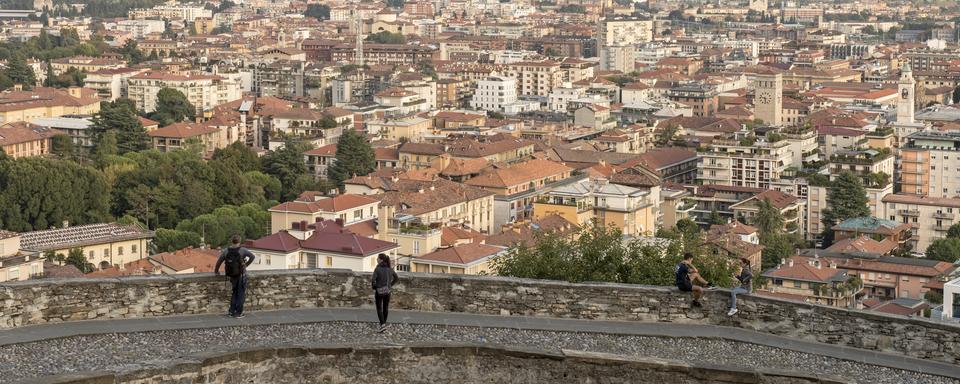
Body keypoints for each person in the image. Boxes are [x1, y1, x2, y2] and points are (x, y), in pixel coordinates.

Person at [214, 234, 256, 319]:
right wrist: (246, 265)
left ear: (232, 241)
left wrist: (216, 271)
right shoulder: (243, 250)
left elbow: (219, 261)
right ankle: (238, 313)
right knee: (241, 294)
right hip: (241, 275)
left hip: (232, 276)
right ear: (239, 241)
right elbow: (252, 256)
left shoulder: (226, 250)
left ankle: (231, 311)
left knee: (234, 293)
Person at [371, 253, 399, 333]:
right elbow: (396, 278)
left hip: (379, 291)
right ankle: (384, 324)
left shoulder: (377, 269)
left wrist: (375, 287)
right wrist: (390, 285)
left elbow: (373, 280)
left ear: (381, 260)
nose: (377, 259)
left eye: (378, 258)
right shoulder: (390, 269)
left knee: (379, 308)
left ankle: (383, 325)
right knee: (385, 307)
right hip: (388, 291)